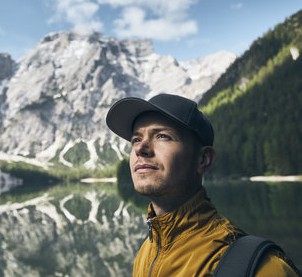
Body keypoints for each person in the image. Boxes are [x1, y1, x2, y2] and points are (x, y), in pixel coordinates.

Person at [106, 93, 299, 276]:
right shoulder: (145, 253)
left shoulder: (262, 268)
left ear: (203, 159)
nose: (140, 148)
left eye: (162, 136)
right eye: (136, 139)